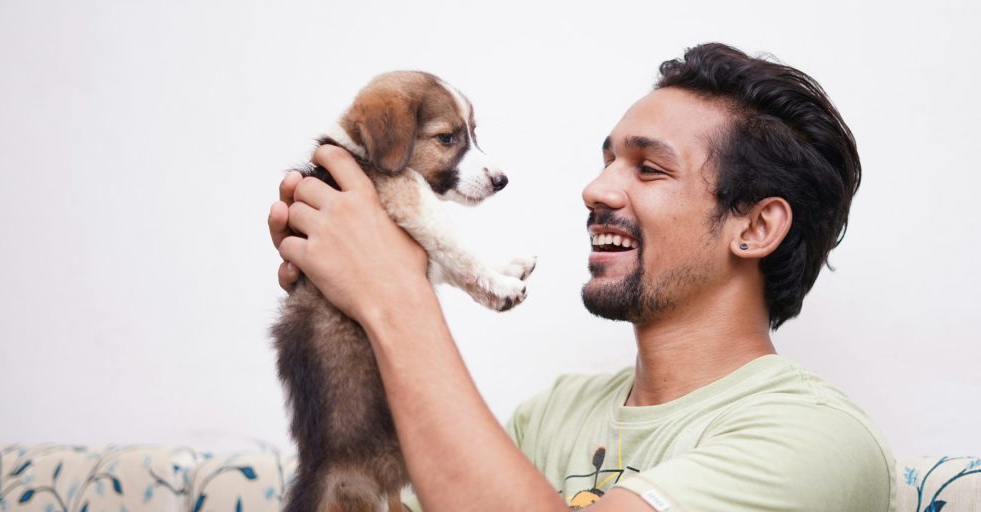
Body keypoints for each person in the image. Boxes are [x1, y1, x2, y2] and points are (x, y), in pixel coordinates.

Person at [268, 43, 895, 511]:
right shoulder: (554, 415)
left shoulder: (817, 439)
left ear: (755, 227)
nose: (595, 189)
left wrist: (393, 295)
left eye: (649, 169)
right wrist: (345, 301)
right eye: (607, 161)